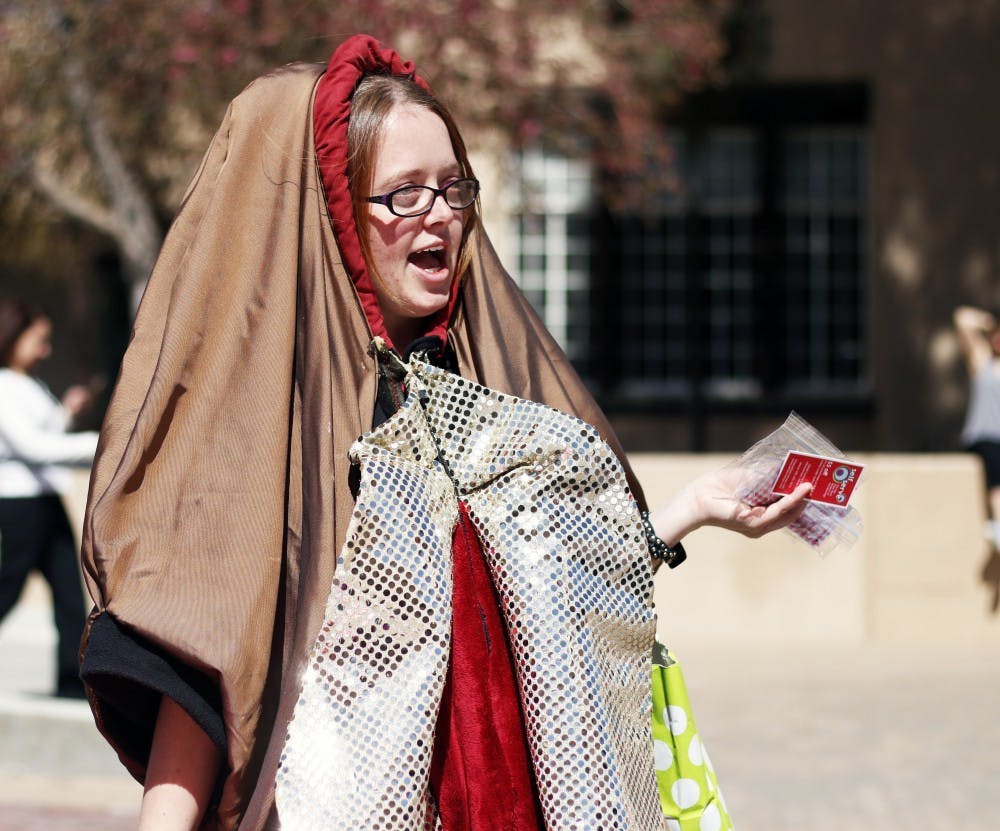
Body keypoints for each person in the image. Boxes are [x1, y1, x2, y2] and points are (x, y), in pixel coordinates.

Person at [78, 35, 810, 830]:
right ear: (335, 213)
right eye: (403, 193)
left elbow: (554, 586)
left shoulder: (474, 392)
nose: (439, 214)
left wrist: (696, 505)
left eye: (453, 187)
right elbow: (208, 671)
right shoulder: (274, 445)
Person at [0, 298, 98, 699]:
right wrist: (98, 444)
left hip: (45, 499)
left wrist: (68, 413)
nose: (46, 350)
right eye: (39, 340)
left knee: (68, 592)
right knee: (8, 587)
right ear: (12, 336)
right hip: (19, 504)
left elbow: (48, 434)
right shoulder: (3, 386)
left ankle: (71, 680)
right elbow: (33, 448)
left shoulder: (31, 384)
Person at [954, 304, 1000, 551]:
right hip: (984, 436)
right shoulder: (982, 362)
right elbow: (962, 318)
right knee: (996, 467)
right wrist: (989, 321)